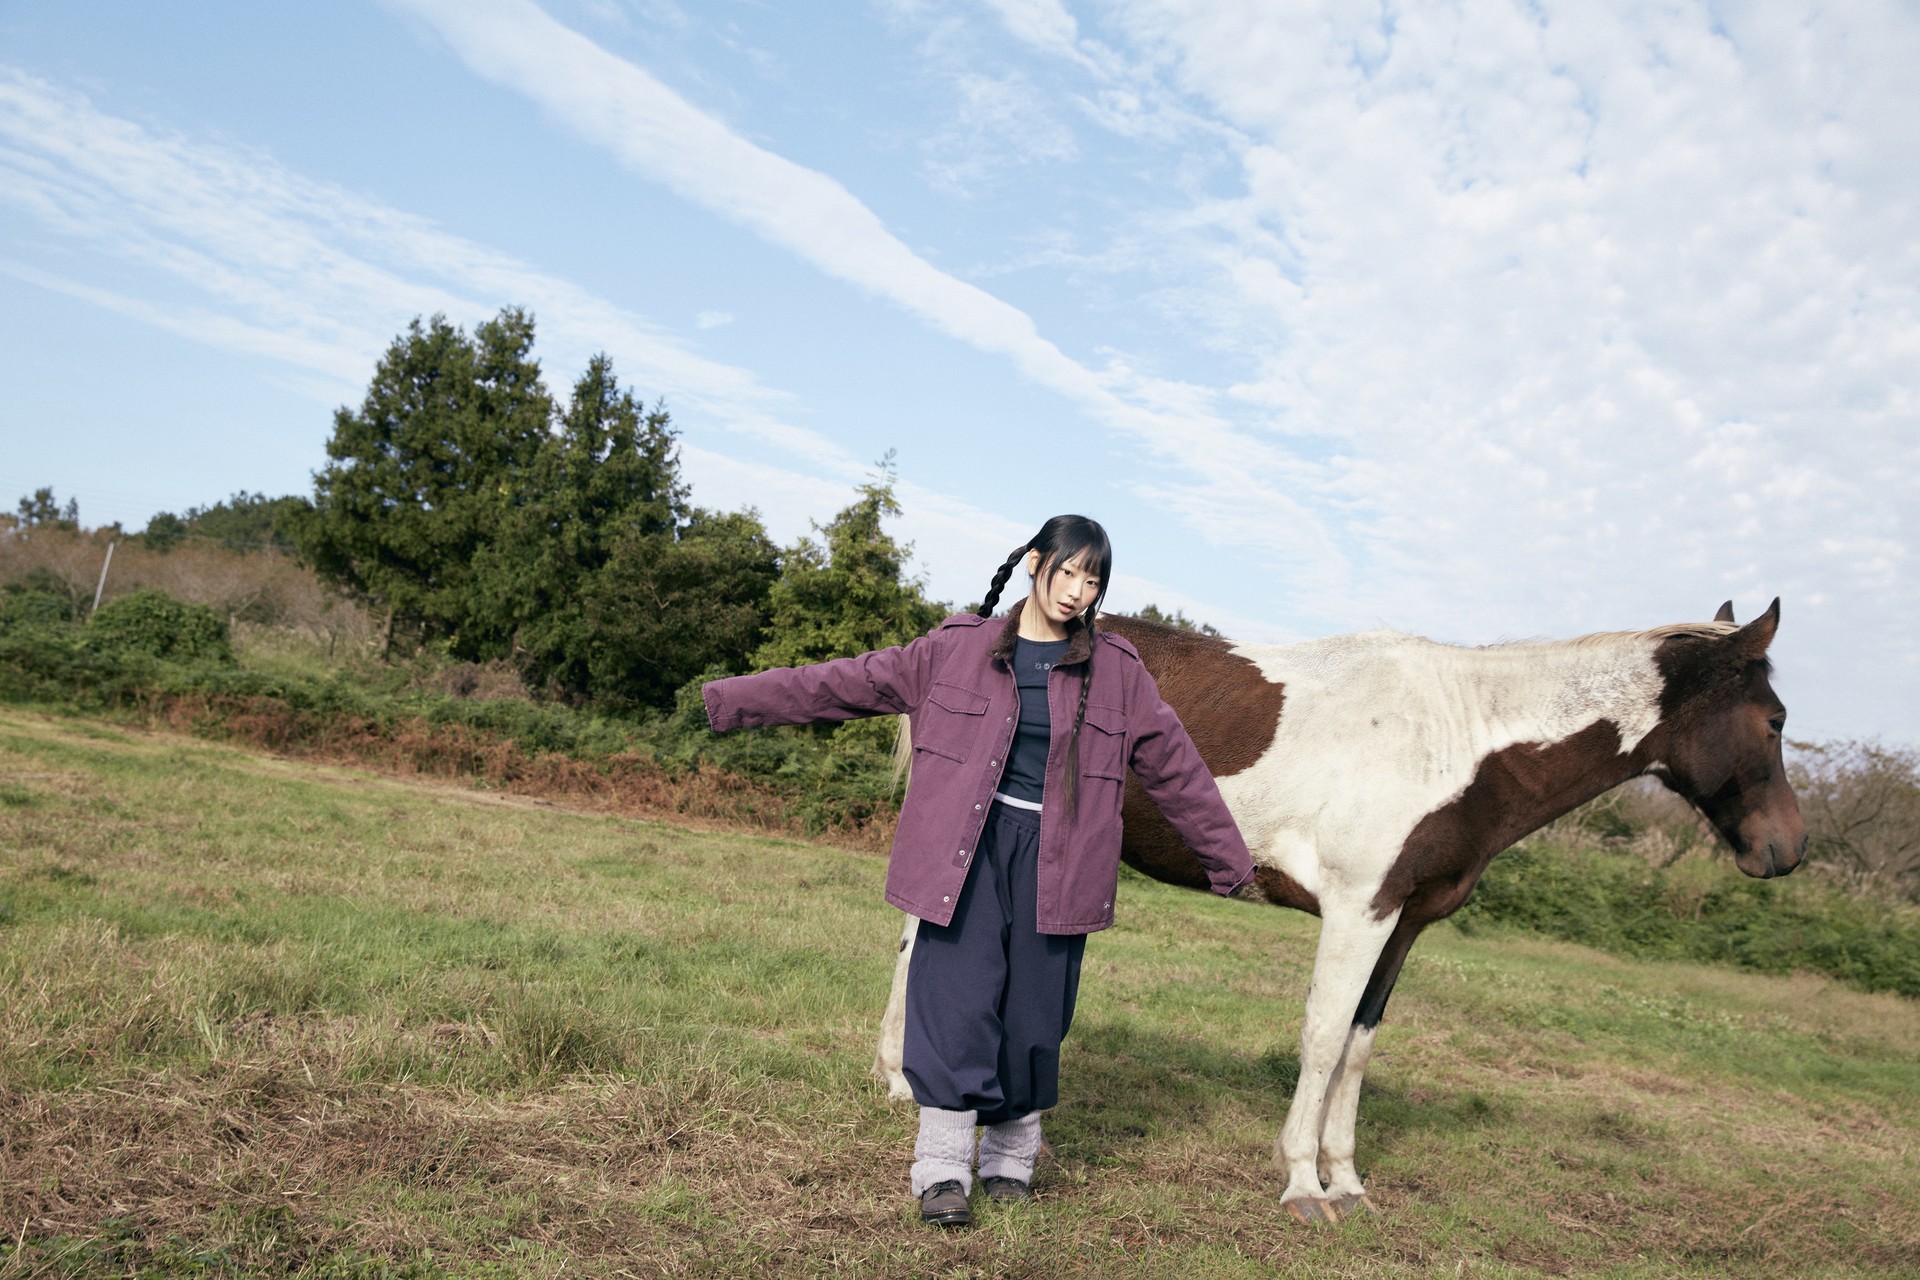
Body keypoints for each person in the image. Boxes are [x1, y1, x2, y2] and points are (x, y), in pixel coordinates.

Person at [701, 515, 1254, 1228]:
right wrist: (731, 700)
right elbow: (842, 683)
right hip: (966, 850)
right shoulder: (956, 649)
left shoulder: (1119, 672)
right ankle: (941, 1170)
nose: (1077, 591)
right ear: (1034, 563)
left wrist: (1228, 860)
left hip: (1061, 861)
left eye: (1093, 581)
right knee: (954, 1005)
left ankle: (1009, 1162)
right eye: (1068, 571)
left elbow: (1177, 768)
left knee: (1034, 1017)